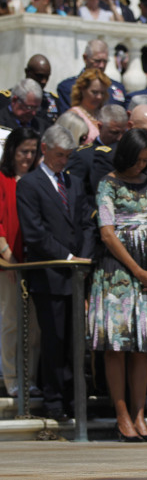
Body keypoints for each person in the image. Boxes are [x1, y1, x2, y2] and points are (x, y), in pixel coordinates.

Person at [86, 128, 147, 442]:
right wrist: (137, 271)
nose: (141, 166)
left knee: (142, 348)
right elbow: (107, 233)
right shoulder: (108, 184)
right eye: (136, 159)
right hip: (118, 273)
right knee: (117, 347)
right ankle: (121, 417)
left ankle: (139, 415)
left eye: (146, 160)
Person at [16, 125, 95, 421]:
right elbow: (35, 233)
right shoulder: (30, 184)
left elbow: (87, 222)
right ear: (45, 150)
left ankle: (76, 399)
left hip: (77, 275)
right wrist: (68, 257)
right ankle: (54, 400)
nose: (64, 160)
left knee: (76, 342)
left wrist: (84, 257)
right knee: (55, 340)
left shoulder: (73, 183)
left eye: (68, 155)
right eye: (59, 155)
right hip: (50, 275)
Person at [0, 128, 42, 399]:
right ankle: (12, 378)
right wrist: (8, 256)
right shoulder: (2, 179)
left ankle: (31, 378)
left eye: (32, 152)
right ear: (12, 150)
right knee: (12, 322)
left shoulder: (38, 180)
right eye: (23, 151)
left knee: (34, 327)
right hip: (10, 263)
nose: (27, 157)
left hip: (36, 262)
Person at [56, 39, 126, 114]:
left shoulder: (118, 88)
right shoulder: (67, 87)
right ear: (85, 58)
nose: (101, 65)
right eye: (97, 61)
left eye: (105, 61)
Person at [0, 55, 59, 125]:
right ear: (27, 72)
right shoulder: (5, 99)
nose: (44, 81)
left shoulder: (52, 101)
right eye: (40, 76)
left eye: (47, 77)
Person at [68, 68, 112, 144]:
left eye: (102, 93)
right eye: (95, 92)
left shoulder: (104, 115)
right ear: (82, 89)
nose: (99, 97)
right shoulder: (73, 116)